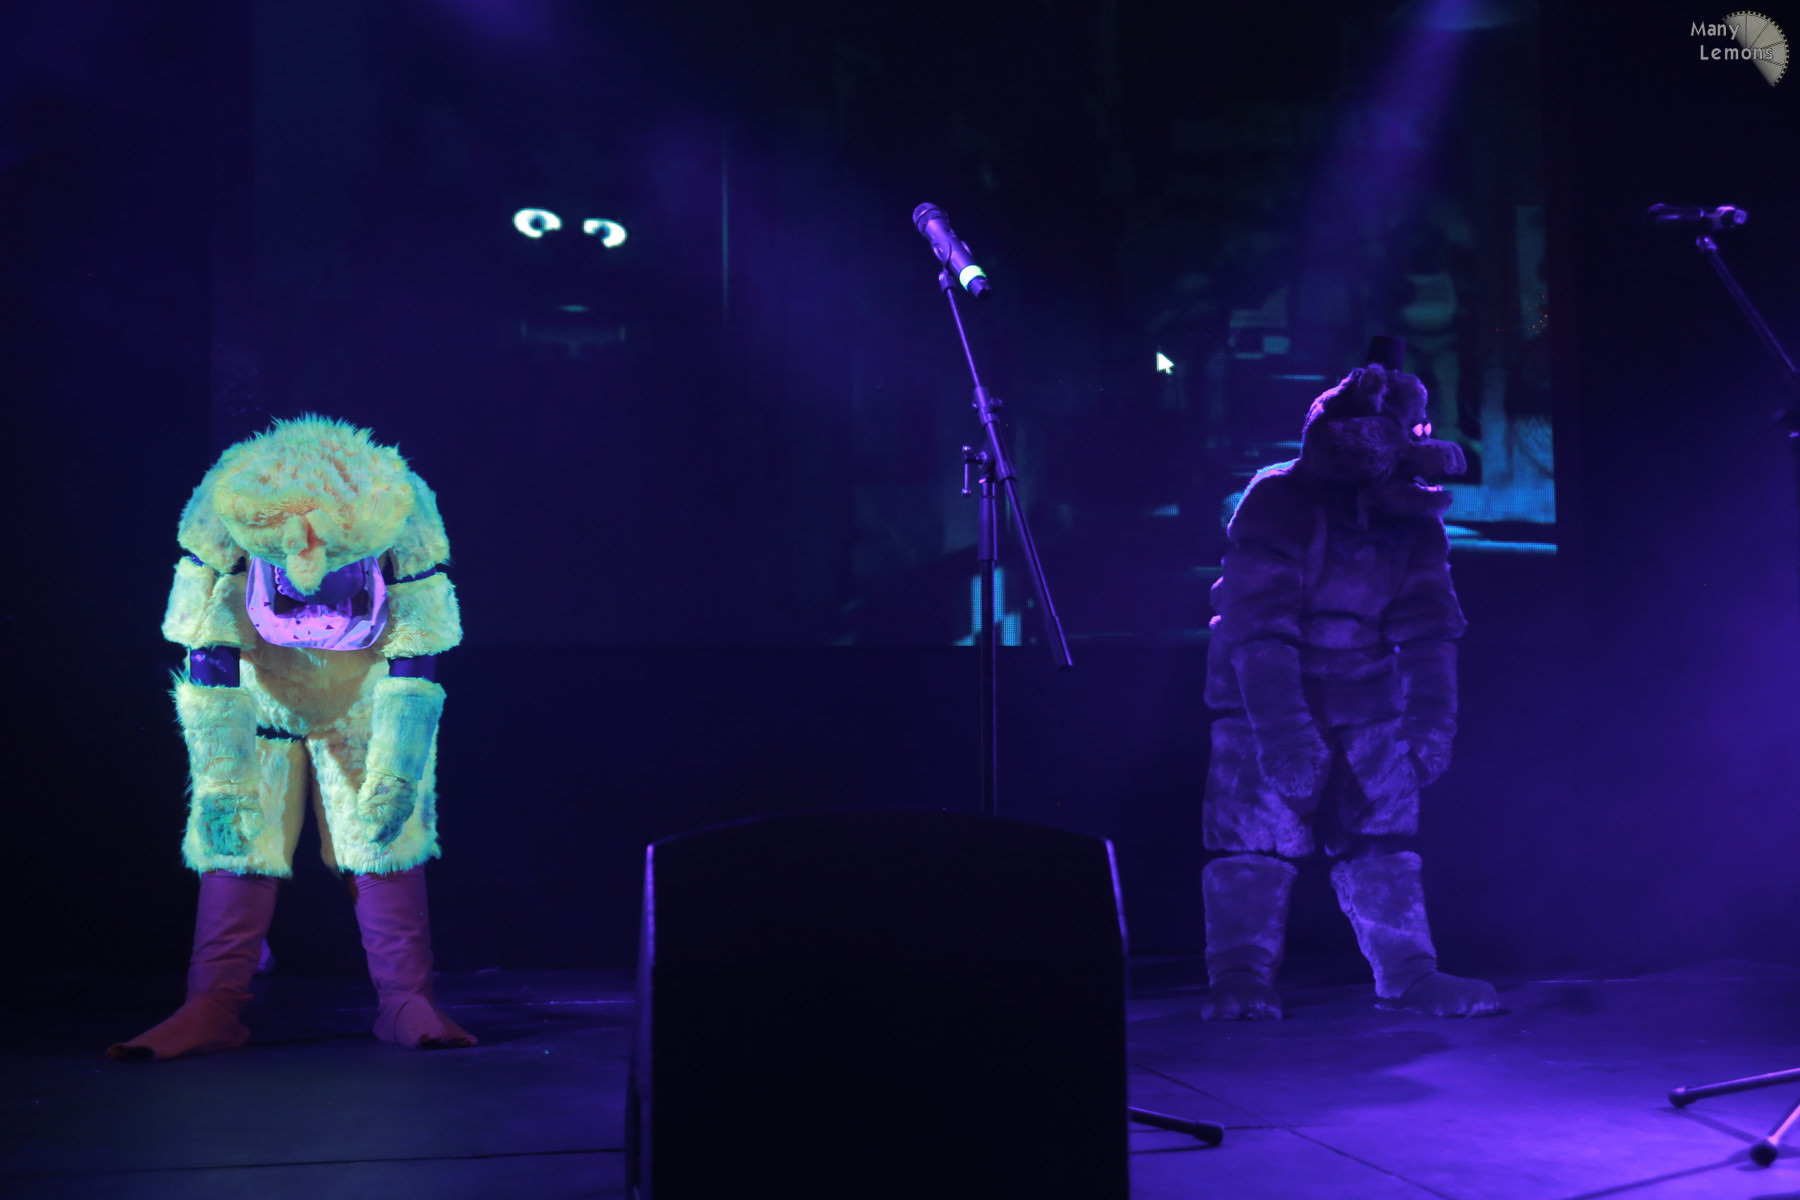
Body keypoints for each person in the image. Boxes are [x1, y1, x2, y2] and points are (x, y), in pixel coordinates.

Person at [110, 416, 476, 1058]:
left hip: (362, 706)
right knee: (239, 839)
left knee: (383, 838)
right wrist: (224, 778)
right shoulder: (227, 500)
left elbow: (418, 640)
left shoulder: (399, 501)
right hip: (260, 705)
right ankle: (212, 1004)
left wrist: (396, 768)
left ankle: (405, 999)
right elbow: (206, 641)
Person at [1199, 336, 1498, 1020]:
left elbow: (1430, 623)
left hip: (1368, 698)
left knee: (1382, 840)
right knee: (1253, 840)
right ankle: (1239, 974)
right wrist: (1284, 733)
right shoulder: (1279, 498)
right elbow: (1258, 626)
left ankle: (1409, 971)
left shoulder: (1410, 516)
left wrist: (1429, 721)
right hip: (1263, 700)